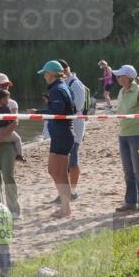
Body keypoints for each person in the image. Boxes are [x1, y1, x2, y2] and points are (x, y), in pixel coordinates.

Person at [112, 65, 139, 212]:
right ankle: (130, 201)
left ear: (128, 77)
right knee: (128, 171)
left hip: (136, 136)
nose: (118, 78)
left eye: (120, 75)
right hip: (123, 135)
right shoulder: (121, 91)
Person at [38, 60, 77, 217]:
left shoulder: (57, 89)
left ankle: (65, 208)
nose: (44, 77)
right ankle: (66, 207)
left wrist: (38, 112)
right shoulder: (63, 86)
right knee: (59, 172)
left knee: (56, 172)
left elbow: (58, 112)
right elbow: (69, 109)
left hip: (62, 134)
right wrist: (42, 110)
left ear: (51, 74)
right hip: (63, 134)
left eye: (45, 74)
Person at [57, 60, 87, 198]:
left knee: (73, 160)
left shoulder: (75, 84)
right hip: (64, 127)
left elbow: (78, 106)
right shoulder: (62, 84)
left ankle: (73, 191)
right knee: (64, 161)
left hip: (74, 126)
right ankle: (65, 191)